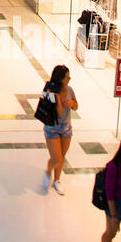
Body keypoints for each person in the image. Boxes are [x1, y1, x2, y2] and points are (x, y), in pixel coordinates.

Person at [40, 64, 78, 196]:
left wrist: (72, 104)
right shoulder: (50, 92)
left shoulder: (70, 90)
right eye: (67, 77)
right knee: (56, 158)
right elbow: (59, 113)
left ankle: (57, 180)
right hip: (52, 129)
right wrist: (58, 100)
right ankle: (48, 172)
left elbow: (76, 106)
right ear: (61, 79)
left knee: (61, 157)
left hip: (66, 128)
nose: (69, 79)